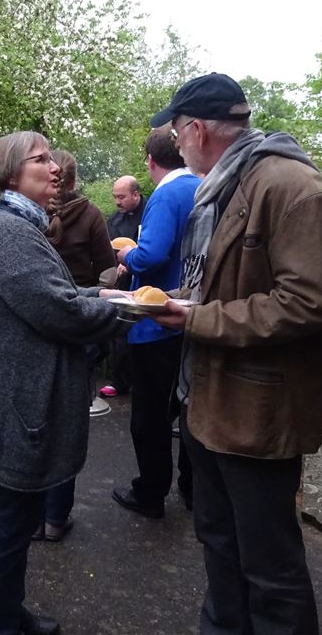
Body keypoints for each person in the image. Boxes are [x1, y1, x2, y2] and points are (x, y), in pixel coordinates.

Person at [150, 73, 322, 635]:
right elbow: (223, 283)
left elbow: (310, 302)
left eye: (176, 131)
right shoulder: (222, 187)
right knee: (219, 542)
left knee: (270, 567)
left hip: (255, 415)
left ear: (196, 130)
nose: (175, 143)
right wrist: (178, 300)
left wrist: (197, 318)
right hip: (206, 400)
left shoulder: (293, 188)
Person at [0, 132, 120, 635]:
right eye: (40, 160)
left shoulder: (12, 223)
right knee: (8, 526)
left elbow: (54, 292)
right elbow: (60, 312)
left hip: (9, 400)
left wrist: (107, 298)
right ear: (8, 174)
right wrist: (124, 310)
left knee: (15, 523)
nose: (54, 167)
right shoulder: (7, 232)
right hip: (14, 408)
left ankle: (7, 614)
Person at [110, 126, 198, 519]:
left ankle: (150, 493)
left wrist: (126, 255)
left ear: (150, 160)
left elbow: (151, 256)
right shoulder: (202, 186)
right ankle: (192, 489)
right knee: (188, 409)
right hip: (194, 315)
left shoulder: (166, 194)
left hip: (157, 319)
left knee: (149, 417)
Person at [32, 148, 117, 544]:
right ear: (75, 178)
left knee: (35, 420)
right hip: (79, 324)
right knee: (68, 425)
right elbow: (108, 269)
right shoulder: (92, 215)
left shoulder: (28, 216)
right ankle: (55, 518)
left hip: (37, 324)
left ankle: (31, 516)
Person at [100, 175, 146, 397]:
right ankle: (119, 381)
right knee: (121, 330)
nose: (117, 202)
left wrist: (131, 262)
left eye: (122, 197)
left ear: (135, 195)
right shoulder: (114, 219)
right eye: (115, 197)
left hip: (145, 278)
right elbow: (108, 247)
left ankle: (142, 380)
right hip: (122, 282)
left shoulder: (150, 212)